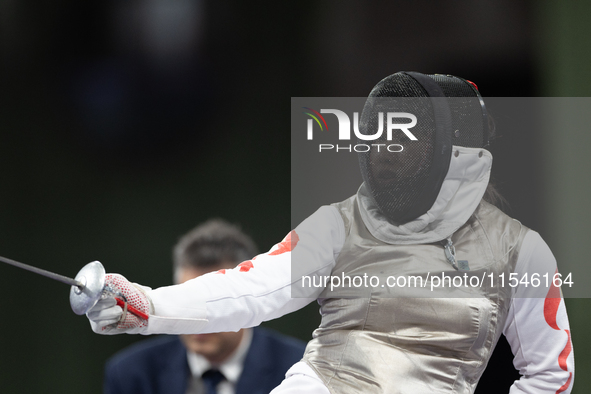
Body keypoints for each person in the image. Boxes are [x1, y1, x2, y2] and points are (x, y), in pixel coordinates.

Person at [87, 72, 574, 394]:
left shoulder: (520, 251)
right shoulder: (339, 223)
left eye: (405, 135)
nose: (385, 152)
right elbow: (251, 287)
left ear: (457, 150)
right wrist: (146, 304)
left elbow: (550, 373)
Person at [102, 219, 306, 394]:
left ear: (248, 298)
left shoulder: (301, 370)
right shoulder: (132, 373)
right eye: (186, 301)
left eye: (217, 302)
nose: (198, 321)